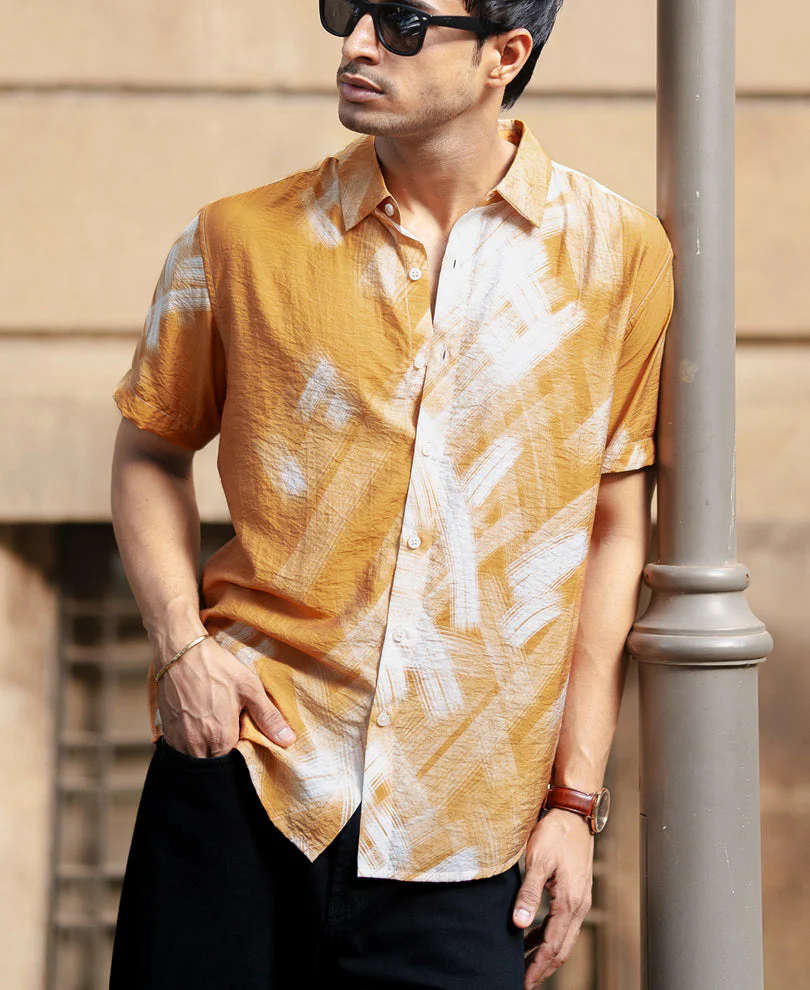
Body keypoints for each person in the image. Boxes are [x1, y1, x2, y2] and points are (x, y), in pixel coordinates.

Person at [108, 1, 673, 988]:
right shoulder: (237, 240)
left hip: (470, 833)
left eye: (405, 22)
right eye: (348, 9)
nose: (358, 43)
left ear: (505, 54)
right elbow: (150, 451)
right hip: (247, 778)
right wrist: (182, 651)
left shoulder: (616, 257)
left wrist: (574, 803)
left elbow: (613, 532)